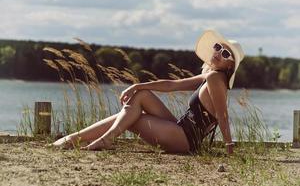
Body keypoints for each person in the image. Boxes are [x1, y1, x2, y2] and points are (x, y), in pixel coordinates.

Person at [50, 30, 245, 155]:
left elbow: (222, 115)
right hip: (180, 129)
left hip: (185, 139)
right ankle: (76, 139)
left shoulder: (215, 79)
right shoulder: (211, 76)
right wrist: (138, 86)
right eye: (219, 48)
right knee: (140, 98)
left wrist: (229, 147)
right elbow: (172, 85)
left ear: (230, 66)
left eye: (226, 54)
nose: (219, 53)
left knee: (129, 117)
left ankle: (86, 139)